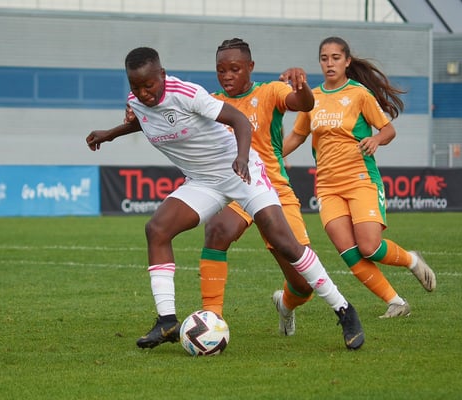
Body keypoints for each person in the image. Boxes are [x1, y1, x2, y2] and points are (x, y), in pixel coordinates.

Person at [86, 46, 364, 351]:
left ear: (162, 75)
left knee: (285, 243)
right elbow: (146, 119)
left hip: (242, 171)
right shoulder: (138, 101)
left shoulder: (188, 93)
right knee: (157, 229)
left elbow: (240, 121)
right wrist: (110, 134)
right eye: (136, 87)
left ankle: (344, 310)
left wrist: (242, 158)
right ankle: (167, 321)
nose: (143, 93)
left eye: (149, 85)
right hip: (203, 182)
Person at [283, 36, 437, 319]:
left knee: (369, 247)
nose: (329, 63)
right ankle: (396, 302)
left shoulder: (359, 94)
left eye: (335, 58)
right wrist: (271, 154)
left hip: (360, 179)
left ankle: (411, 260)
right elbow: (296, 136)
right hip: (327, 186)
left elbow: (388, 130)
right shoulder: (312, 98)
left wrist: (376, 139)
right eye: (324, 58)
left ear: (347, 61)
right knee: (349, 251)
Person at [199, 38, 316, 336]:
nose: (227, 76)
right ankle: (211, 321)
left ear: (250, 67)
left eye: (235, 69)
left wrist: (301, 85)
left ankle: (285, 304)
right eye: (221, 70)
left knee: (304, 284)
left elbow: (304, 104)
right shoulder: (211, 102)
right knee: (217, 230)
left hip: (274, 190)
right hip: (237, 190)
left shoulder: (270, 92)